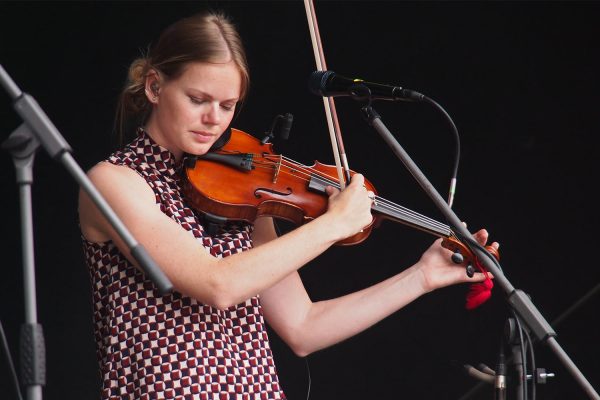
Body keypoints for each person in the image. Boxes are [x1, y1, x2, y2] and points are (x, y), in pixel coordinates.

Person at [78, 10, 497, 400]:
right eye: (197, 99)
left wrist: (422, 276)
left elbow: (303, 327)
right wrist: (331, 225)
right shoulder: (114, 183)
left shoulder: (241, 195)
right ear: (154, 86)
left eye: (228, 106)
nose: (214, 119)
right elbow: (217, 285)